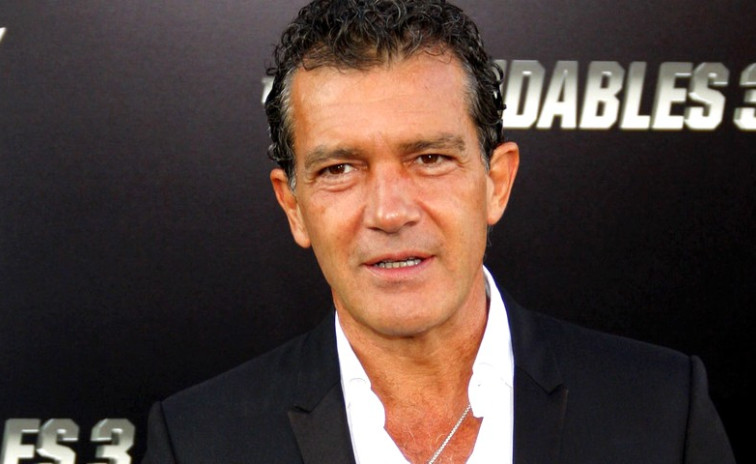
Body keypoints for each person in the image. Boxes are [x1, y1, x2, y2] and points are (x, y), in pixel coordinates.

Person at [142, 0, 735, 462]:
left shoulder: (661, 410)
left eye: (429, 158)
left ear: (496, 183)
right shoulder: (197, 441)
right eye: (339, 169)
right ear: (293, 206)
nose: (390, 211)